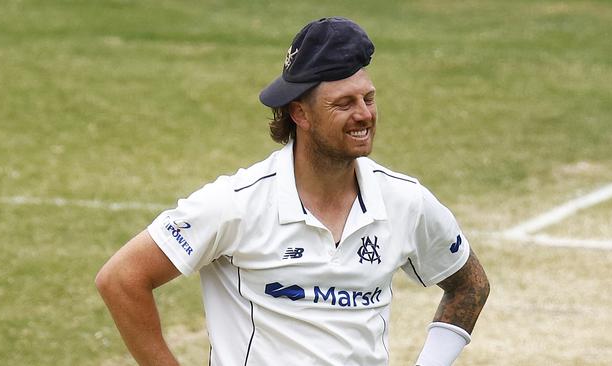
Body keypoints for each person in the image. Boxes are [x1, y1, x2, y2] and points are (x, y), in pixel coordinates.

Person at [96, 16, 490, 366]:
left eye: (368, 99)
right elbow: (122, 279)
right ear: (300, 113)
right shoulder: (237, 204)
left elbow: (469, 284)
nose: (364, 115)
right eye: (344, 103)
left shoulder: (405, 201)